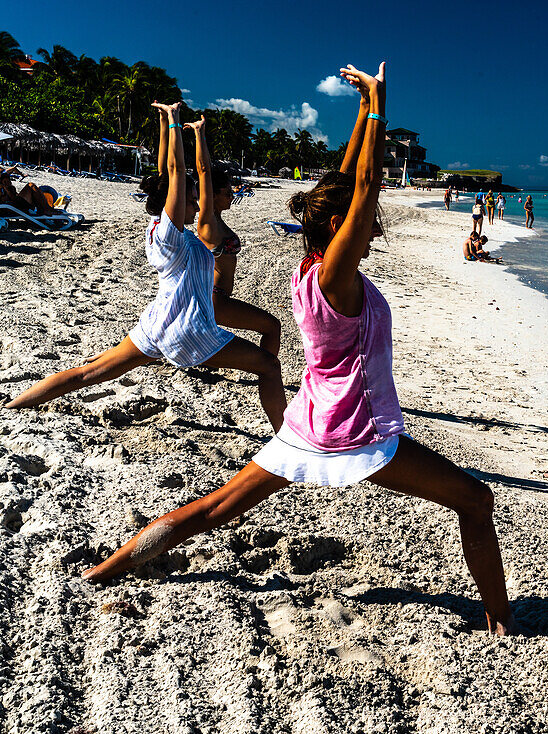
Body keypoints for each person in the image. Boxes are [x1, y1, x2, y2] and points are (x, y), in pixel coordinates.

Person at [81, 63, 515, 637]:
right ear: (340, 225)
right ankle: (501, 622)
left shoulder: (312, 267)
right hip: (352, 430)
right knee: (476, 501)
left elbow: (343, 181)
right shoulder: (338, 277)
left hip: (309, 419)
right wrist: (381, 104)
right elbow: (359, 187)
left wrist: (363, 112)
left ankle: (103, 573)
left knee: (215, 509)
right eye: (367, 220)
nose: (376, 226)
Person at [4, 102, 286, 430]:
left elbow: (169, 173)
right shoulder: (171, 234)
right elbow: (177, 174)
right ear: (174, 203)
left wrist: (167, 121)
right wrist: (179, 122)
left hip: (158, 323)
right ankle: (286, 439)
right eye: (191, 200)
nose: (195, 205)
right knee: (267, 366)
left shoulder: (157, 228)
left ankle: (12, 405)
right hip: (188, 329)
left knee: (89, 373)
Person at [188, 116, 282, 356]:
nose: (232, 195)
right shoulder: (207, 221)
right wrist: (199, 134)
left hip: (217, 297)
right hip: (215, 299)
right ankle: (270, 374)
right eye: (228, 191)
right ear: (214, 194)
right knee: (272, 326)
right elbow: (204, 171)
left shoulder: (217, 220)